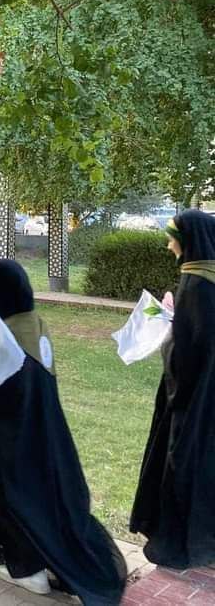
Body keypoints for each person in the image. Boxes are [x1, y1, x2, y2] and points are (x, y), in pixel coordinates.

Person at [0, 259, 126, 600]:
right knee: (39, 497)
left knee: (8, 490)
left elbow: (4, 393)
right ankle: (44, 560)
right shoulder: (32, 323)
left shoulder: (8, 338)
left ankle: (28, 569)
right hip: (43, 434)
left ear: (1, 290)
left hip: (14, 440)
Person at [131, 210, 215, 569]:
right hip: (207, 395)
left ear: (188, 240)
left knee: (182, 466)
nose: (169, 246)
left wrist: (169, 335)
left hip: (191, 400)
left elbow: (186, 354)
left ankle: (179, 543)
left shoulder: (195, 284)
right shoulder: (207, 279)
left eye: (172, 238)